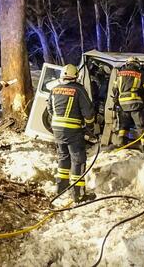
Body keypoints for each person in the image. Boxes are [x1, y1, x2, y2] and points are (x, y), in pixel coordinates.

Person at [47, 64, 95, 202]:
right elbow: (88, 112)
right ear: (76, 76)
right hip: (73, 130)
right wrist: (90, 126)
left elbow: (49, 109)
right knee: (78, 160)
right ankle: (77, 193)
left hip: (57, 130)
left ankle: (61, 188)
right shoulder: (79, 90)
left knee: (63, 156)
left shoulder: (55, 89)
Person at [112, 57, 144, 152]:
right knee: (141, 126)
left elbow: (114, 89)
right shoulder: (141, 74)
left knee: (123, 125)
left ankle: (121, 143)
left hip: (122, 103)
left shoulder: (119, 74)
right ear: (137, 64)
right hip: (135, 103)